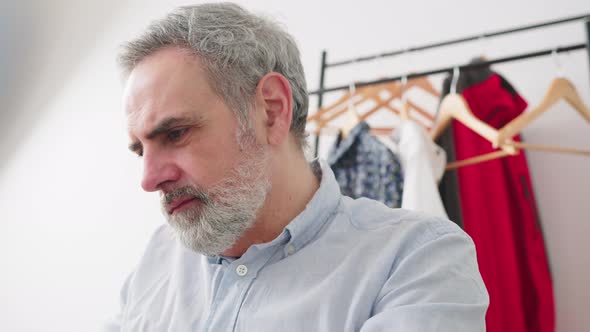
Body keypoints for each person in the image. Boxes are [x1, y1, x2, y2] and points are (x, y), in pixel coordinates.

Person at [105, 3, 488, 331]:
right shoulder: (158, 258)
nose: (149, 179)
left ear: (271, 111)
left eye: (175, 133)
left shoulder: (415, 261)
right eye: (140, 150)